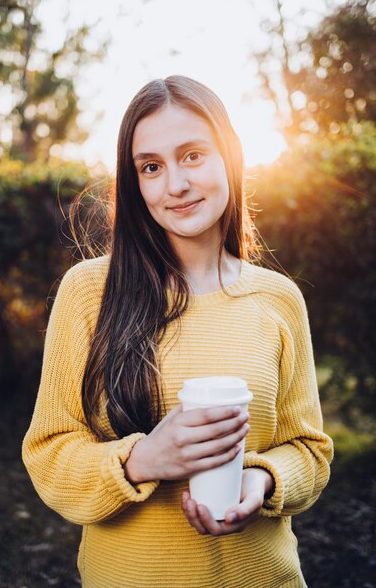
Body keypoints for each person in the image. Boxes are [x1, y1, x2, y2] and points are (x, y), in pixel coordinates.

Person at [22, 75, 333, 588]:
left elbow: (310, 449)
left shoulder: (278, 298)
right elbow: (48, 454)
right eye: (151, 167)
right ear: (135, 182)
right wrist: (144, 460)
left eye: (193, 155)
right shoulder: (88, 292)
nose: (176, 185)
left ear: (230, 156)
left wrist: (261, 481)